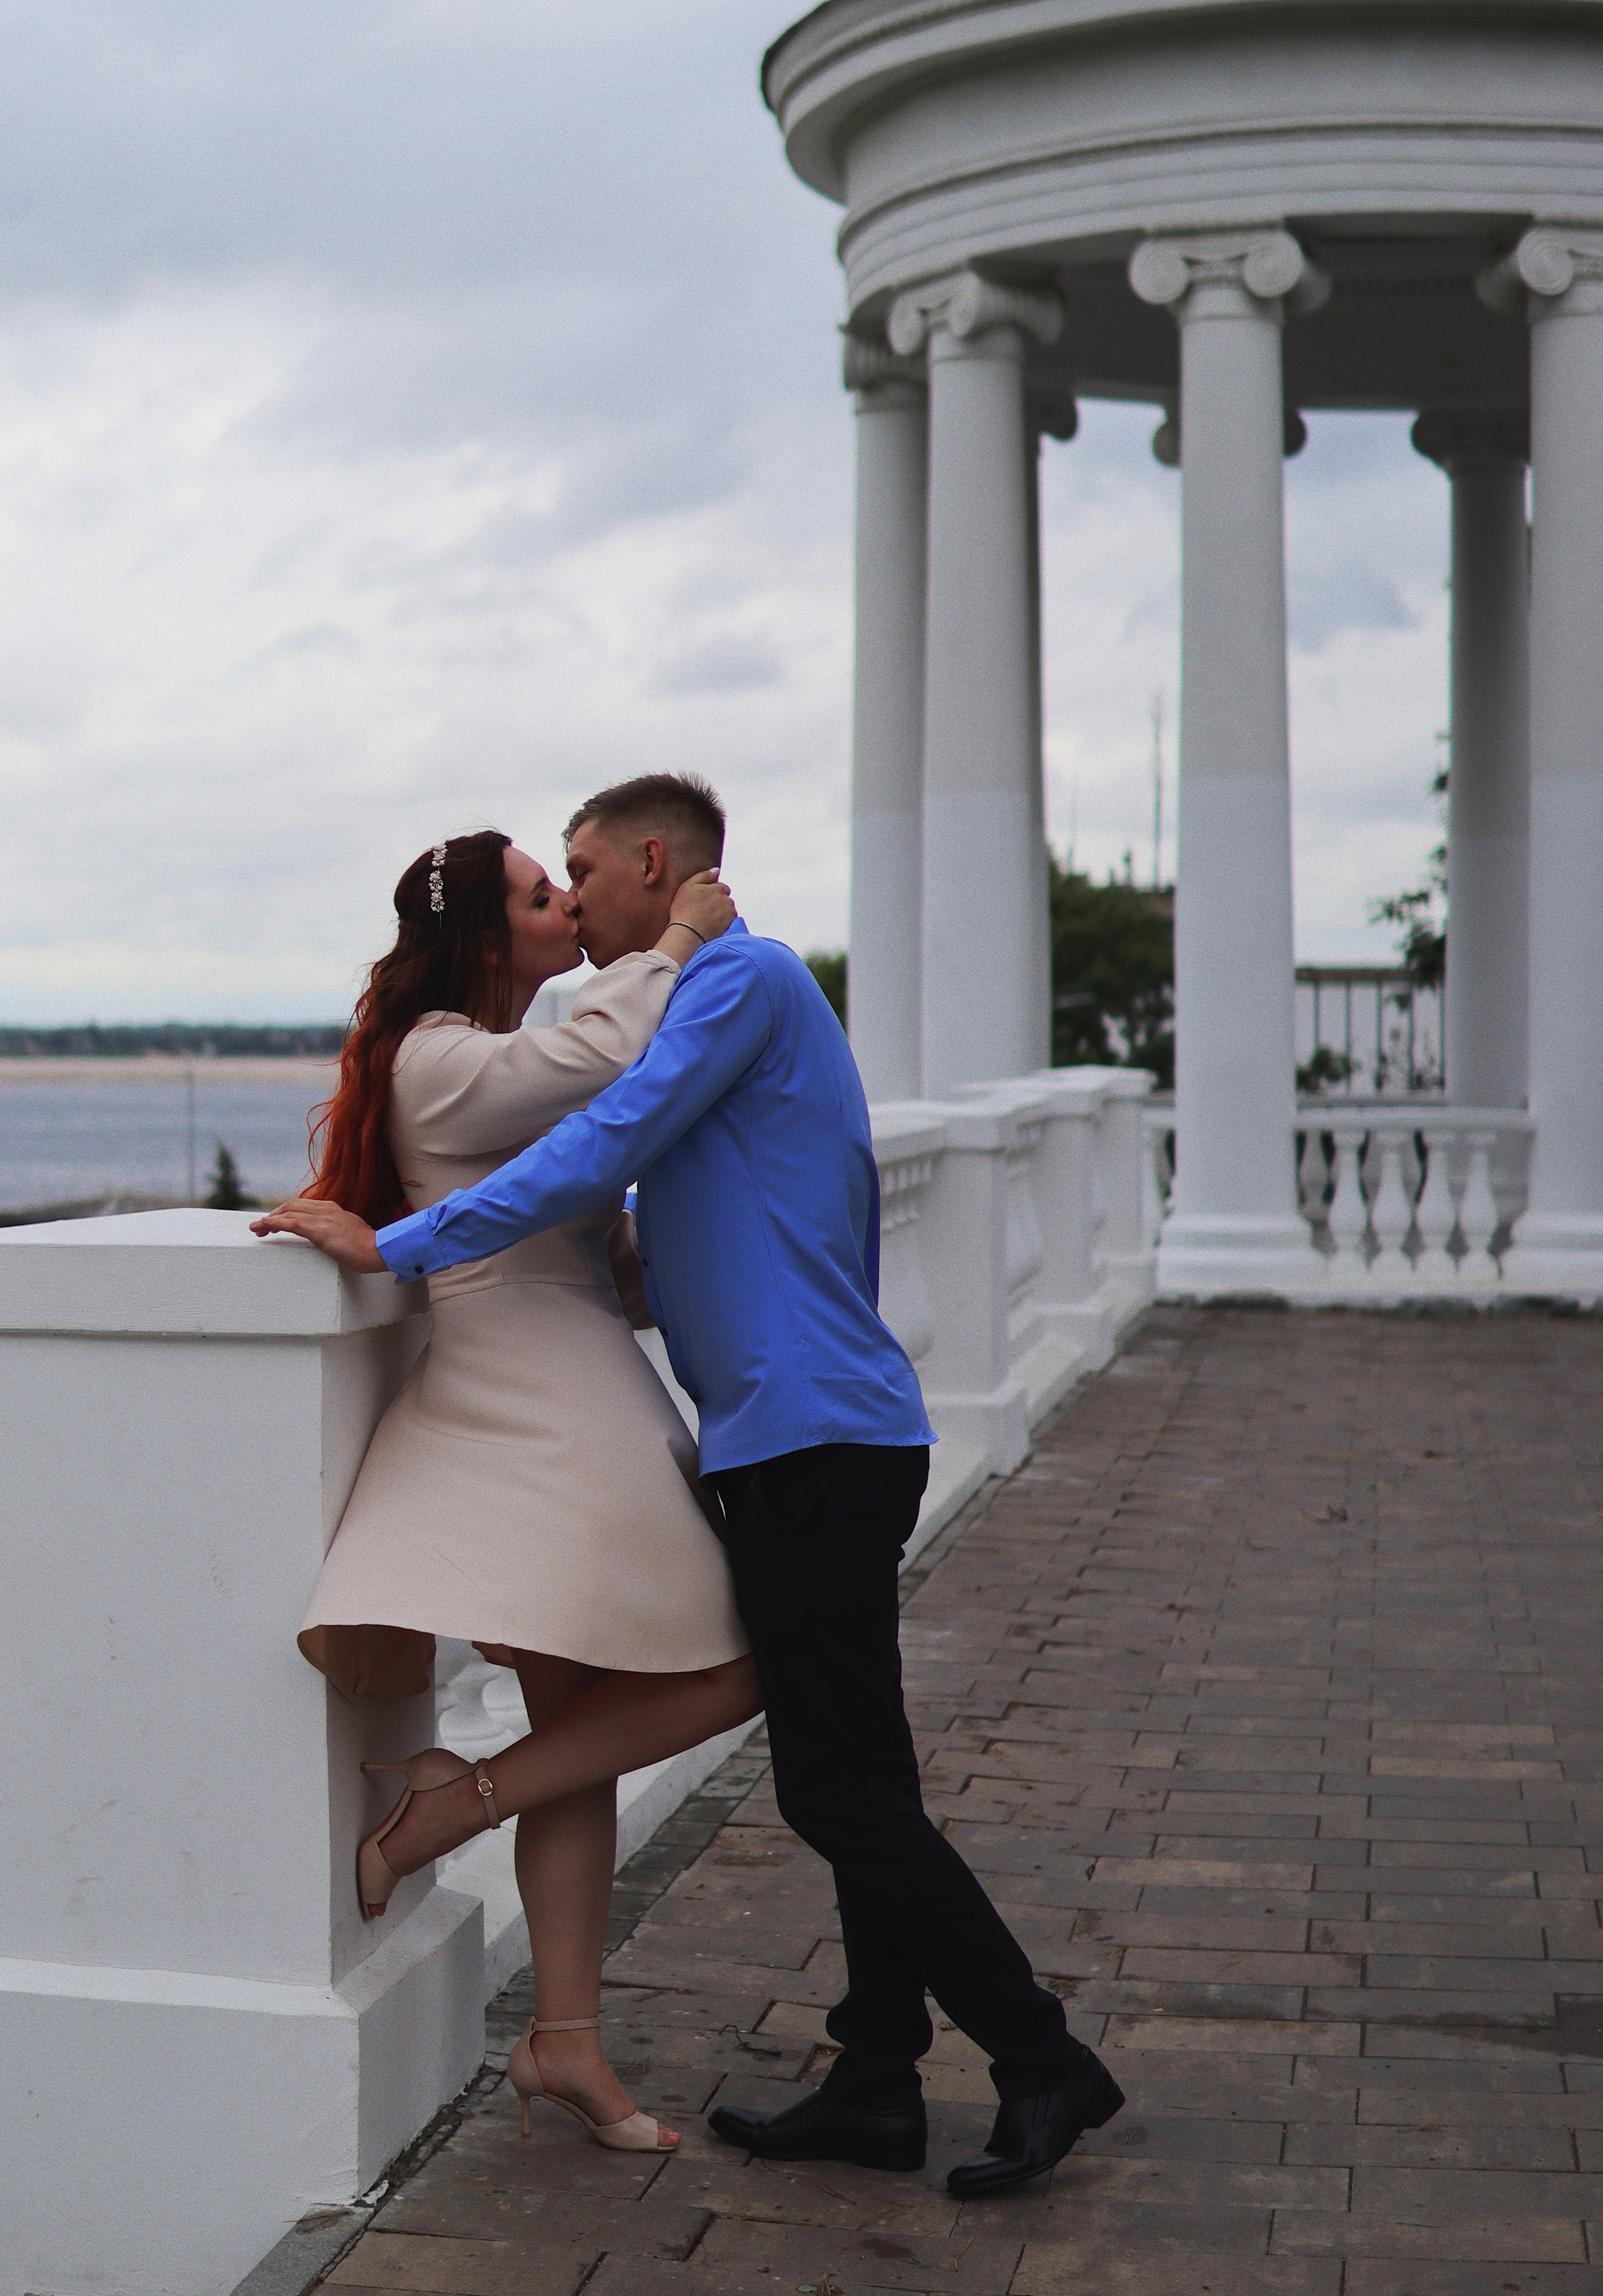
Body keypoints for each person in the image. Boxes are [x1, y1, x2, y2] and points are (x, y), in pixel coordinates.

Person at [258, 771, 1125, 2201]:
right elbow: (727, 1212)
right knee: (861, 1776)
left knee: (839, 1791)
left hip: (807, 1439)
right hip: (799, 1430)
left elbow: (600, 1136)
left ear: (653, 863)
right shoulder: (719, 1000)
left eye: (583, 873)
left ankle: (1038, 2059)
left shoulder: (730, 980)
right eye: (551, 886)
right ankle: (875, 2077)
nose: (578, 901)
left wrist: (405, 1245)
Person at [252, 825, 761, 2155]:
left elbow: (607, 1235)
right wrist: (679, 942)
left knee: (576, 1742)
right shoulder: (440, 1057)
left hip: (571, 1395)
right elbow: (598, 1056)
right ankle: (455, 1805)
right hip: (530, 1418)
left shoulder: (498, 1066)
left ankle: (564, 2044)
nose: (563, 904)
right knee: (733, 1664)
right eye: (542, 896)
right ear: (490, 938)